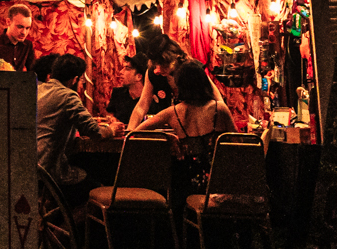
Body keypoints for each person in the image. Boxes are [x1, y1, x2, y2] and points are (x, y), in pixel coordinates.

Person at [132, 61, 234, 197]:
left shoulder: (173, 113)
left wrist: (166, 137)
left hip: (188, 189)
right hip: (220, 185)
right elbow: (238, 144)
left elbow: (136, 133)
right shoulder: (220, 109)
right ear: (204, 82)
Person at [35, 54, 119, 208]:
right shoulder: (68, 96)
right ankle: (67, 229)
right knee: (97, 189)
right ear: (74, 79)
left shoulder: (38, 91)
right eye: (80, 80)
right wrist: (112, 130)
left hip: (30, 165)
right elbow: (96, 133)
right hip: (51, 169)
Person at [106, 55, 150, 125]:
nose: (121, 72)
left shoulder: (151, 99)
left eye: (127, 69)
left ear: (138, 76)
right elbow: (110, 113)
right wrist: (112, 119)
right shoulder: (118, 93)